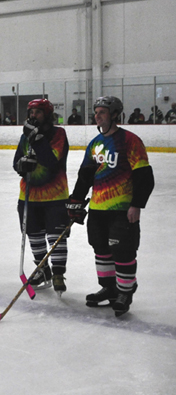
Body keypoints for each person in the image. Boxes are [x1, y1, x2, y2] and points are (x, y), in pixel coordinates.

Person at [67, 96, 155, 317]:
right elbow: (85, 175)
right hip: (97, 208)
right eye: (96, 112)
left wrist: (137, 205)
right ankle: (109, 288)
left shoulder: (129, 140)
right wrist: (76, 200)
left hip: (122, 208)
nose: (97, 116)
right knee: (101, 248)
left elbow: (144, 176)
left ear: (115, 114)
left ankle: (125, 292)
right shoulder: (95, 143)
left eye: (103, 112)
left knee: (123, 250)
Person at [13, 99, 71, 293]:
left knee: (56, 237)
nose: (33, 116)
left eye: (38, 112)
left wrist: (36, 139)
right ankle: (42, 269)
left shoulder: (58, 134)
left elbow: (51, 162)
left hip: (55, 196)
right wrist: (23, 164)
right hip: (29, 196)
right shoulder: (26, 136)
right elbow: (16, 163)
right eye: (31, 112)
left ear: (47, 114)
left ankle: (58, 273)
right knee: (34, 235)